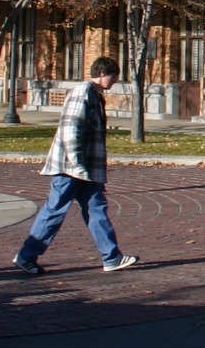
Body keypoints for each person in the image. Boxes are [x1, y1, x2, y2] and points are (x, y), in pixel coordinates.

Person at [14, 56, 141, 276]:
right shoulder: (82, 93)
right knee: (55, 210)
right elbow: (70, 129)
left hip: (85, 168)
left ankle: (111, 257)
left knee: (96, 208)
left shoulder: (94, 95)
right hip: (71, 168)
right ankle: (26, 256)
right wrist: (76, 162)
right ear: (102, 73)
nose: (114, 81)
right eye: (113, 76)